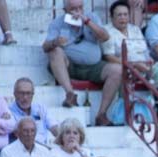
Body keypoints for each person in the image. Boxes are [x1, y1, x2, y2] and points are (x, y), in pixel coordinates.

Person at [44, 0, 119, 128]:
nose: (77, 12)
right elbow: (45, 47)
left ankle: (101, 114)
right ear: (65, 10)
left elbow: (105, 37)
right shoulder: (58, 23)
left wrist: (87, 22)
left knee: (117, 70)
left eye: (80, 8)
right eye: (73, 9)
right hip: (69, 66)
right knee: (54, 52)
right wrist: (55, 42)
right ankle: (70, 94)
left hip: (93, 66)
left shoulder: (92, 17)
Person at [8, 79, 58, 147]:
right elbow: (17, 135)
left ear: (33, 94)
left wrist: (64, 137)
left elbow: (54, 127)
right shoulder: (8, 111)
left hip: (44, 150)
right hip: (23, 150)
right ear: (15, 94)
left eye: (28, 93)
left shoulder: (40, 108)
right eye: (21, 93)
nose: (25, 97)